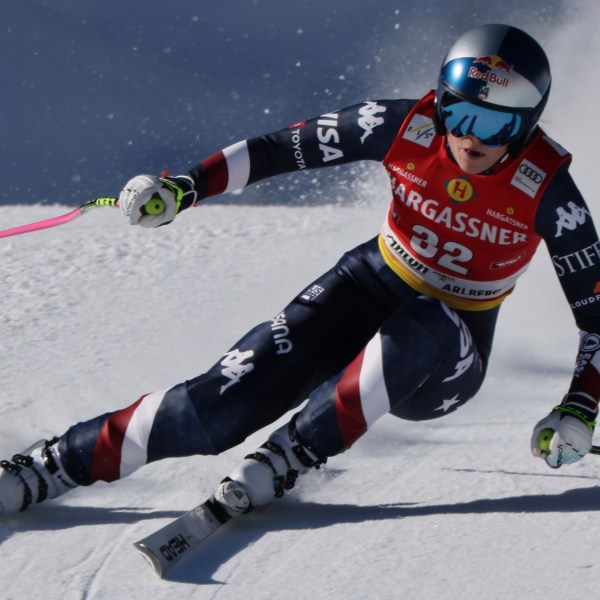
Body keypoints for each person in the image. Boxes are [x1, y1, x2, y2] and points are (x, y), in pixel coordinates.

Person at [1, 23, 599, 516]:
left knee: (428, 319)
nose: (472, 139)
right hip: (366, 283)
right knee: (219, 405)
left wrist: (580, 407)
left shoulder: (548, 190)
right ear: (439, 103)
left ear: (526, 126)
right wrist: (184, 186)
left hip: (448, 353)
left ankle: (290, 454)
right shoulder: (402, 126)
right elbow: (283, 149)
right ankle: (47, 466)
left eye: (495, 125)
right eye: (460, 115)